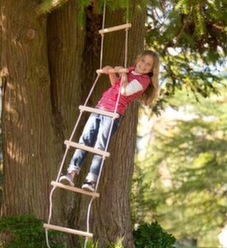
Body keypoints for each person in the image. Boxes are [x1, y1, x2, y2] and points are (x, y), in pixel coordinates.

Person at [59, 50, 160, 191]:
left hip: (113, 113)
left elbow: (124, 92)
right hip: (100, 108)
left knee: (100, 146)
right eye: (143, 61)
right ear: (138, 59)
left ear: (151, 69)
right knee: (85, 140)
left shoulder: (143, 81)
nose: (143, 65)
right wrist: (112, 73)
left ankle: (91, 181)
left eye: (148, 65)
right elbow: (116, 86)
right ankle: (71, 173)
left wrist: (123, 74)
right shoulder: (130, 70)